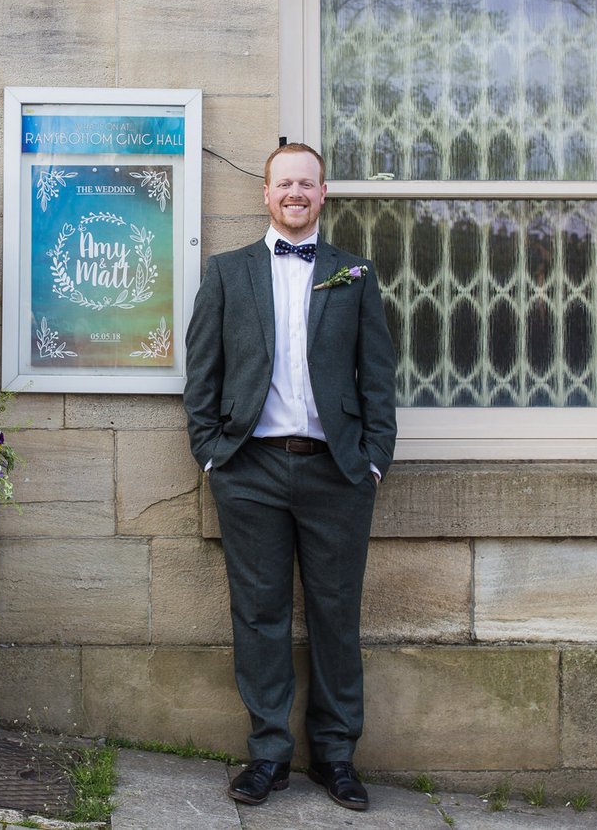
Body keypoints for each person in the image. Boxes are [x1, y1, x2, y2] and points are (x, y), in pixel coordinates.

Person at [182, 142, 397, 812]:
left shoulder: (354, 273)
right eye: (284, 184)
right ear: (266, 194)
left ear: (323, 193)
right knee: (261, 614)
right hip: (250, 470)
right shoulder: (227, 273)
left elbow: (379, 375)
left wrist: (373, 458)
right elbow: (202, 375)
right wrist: (213, 454)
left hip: (337, 472)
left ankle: (336, 756)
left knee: (337, 616)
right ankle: (269, 753)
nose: (295, 193)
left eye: (307, 183)